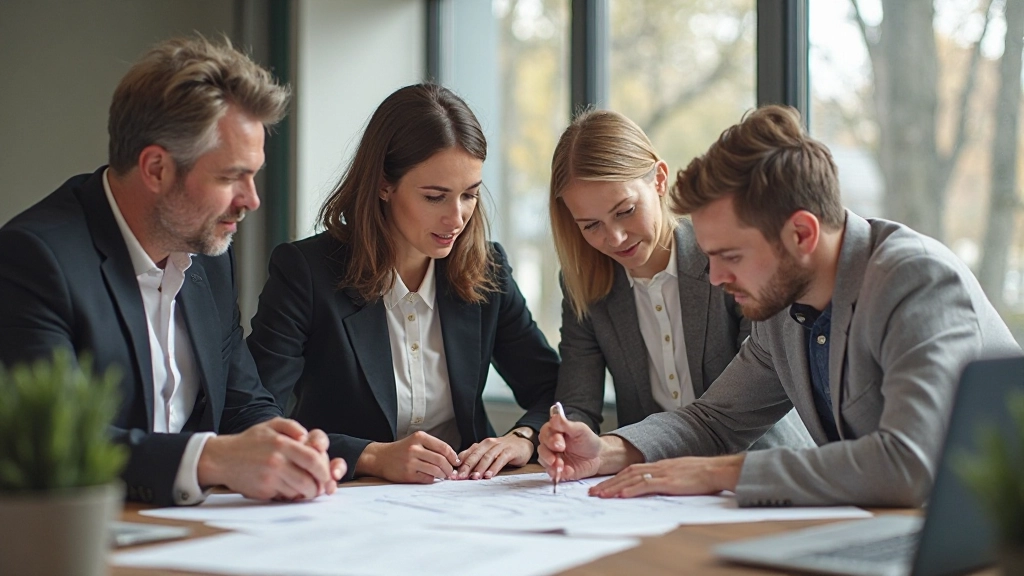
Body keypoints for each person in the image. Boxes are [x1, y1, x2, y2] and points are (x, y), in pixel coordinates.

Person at [538, 105, 1022, 507]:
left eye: (731, 256)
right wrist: (604, 452)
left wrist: (721, 472)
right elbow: (714, 419)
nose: (715, 277)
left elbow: (911, 463)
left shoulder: (915, 279)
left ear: (802, 234)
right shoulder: (783, 310)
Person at [0, 36, 345, 507]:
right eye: (231, 177)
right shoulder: (34, 259)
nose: (251, 200)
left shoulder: (210, 252)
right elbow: (54, 444)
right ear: (157, 169)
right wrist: (211, 460)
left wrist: (289, 447)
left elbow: (242, 401)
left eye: (254, 175)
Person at [247, 83, 559, 484]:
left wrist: (523, 437)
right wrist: (371, 456)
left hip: (465, 496)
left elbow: (553, 388)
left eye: (469, 195)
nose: (456, 218)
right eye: (434, 197)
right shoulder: (306, 272)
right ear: (384, 184)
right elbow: (254, 414)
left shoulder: (488, 268)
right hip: (345, 493)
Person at [548, 109, 811, 450]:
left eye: (625, 211)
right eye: (591, 225)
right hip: (658, 472)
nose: (615, 238)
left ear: (659, 180)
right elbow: (577, 405)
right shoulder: (583, 285)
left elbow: (753, 398)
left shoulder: (726, 259)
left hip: (760, 461)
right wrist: (564, 437)